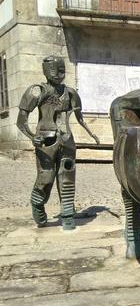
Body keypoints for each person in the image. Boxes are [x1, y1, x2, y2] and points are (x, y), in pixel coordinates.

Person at [16, 56, 99, 229]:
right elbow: (21, 121)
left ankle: (68, 215)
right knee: (46, 176)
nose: (59, 74)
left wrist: (91, 133)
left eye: (62, 70)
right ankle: (37, 203)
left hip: (67, 140)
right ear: (46, 71)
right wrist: (32, 136)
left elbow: (80, 118)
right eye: (55, 70)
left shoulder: (70, 93)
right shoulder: (36, 91)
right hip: (46, 140)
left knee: (67, 176)